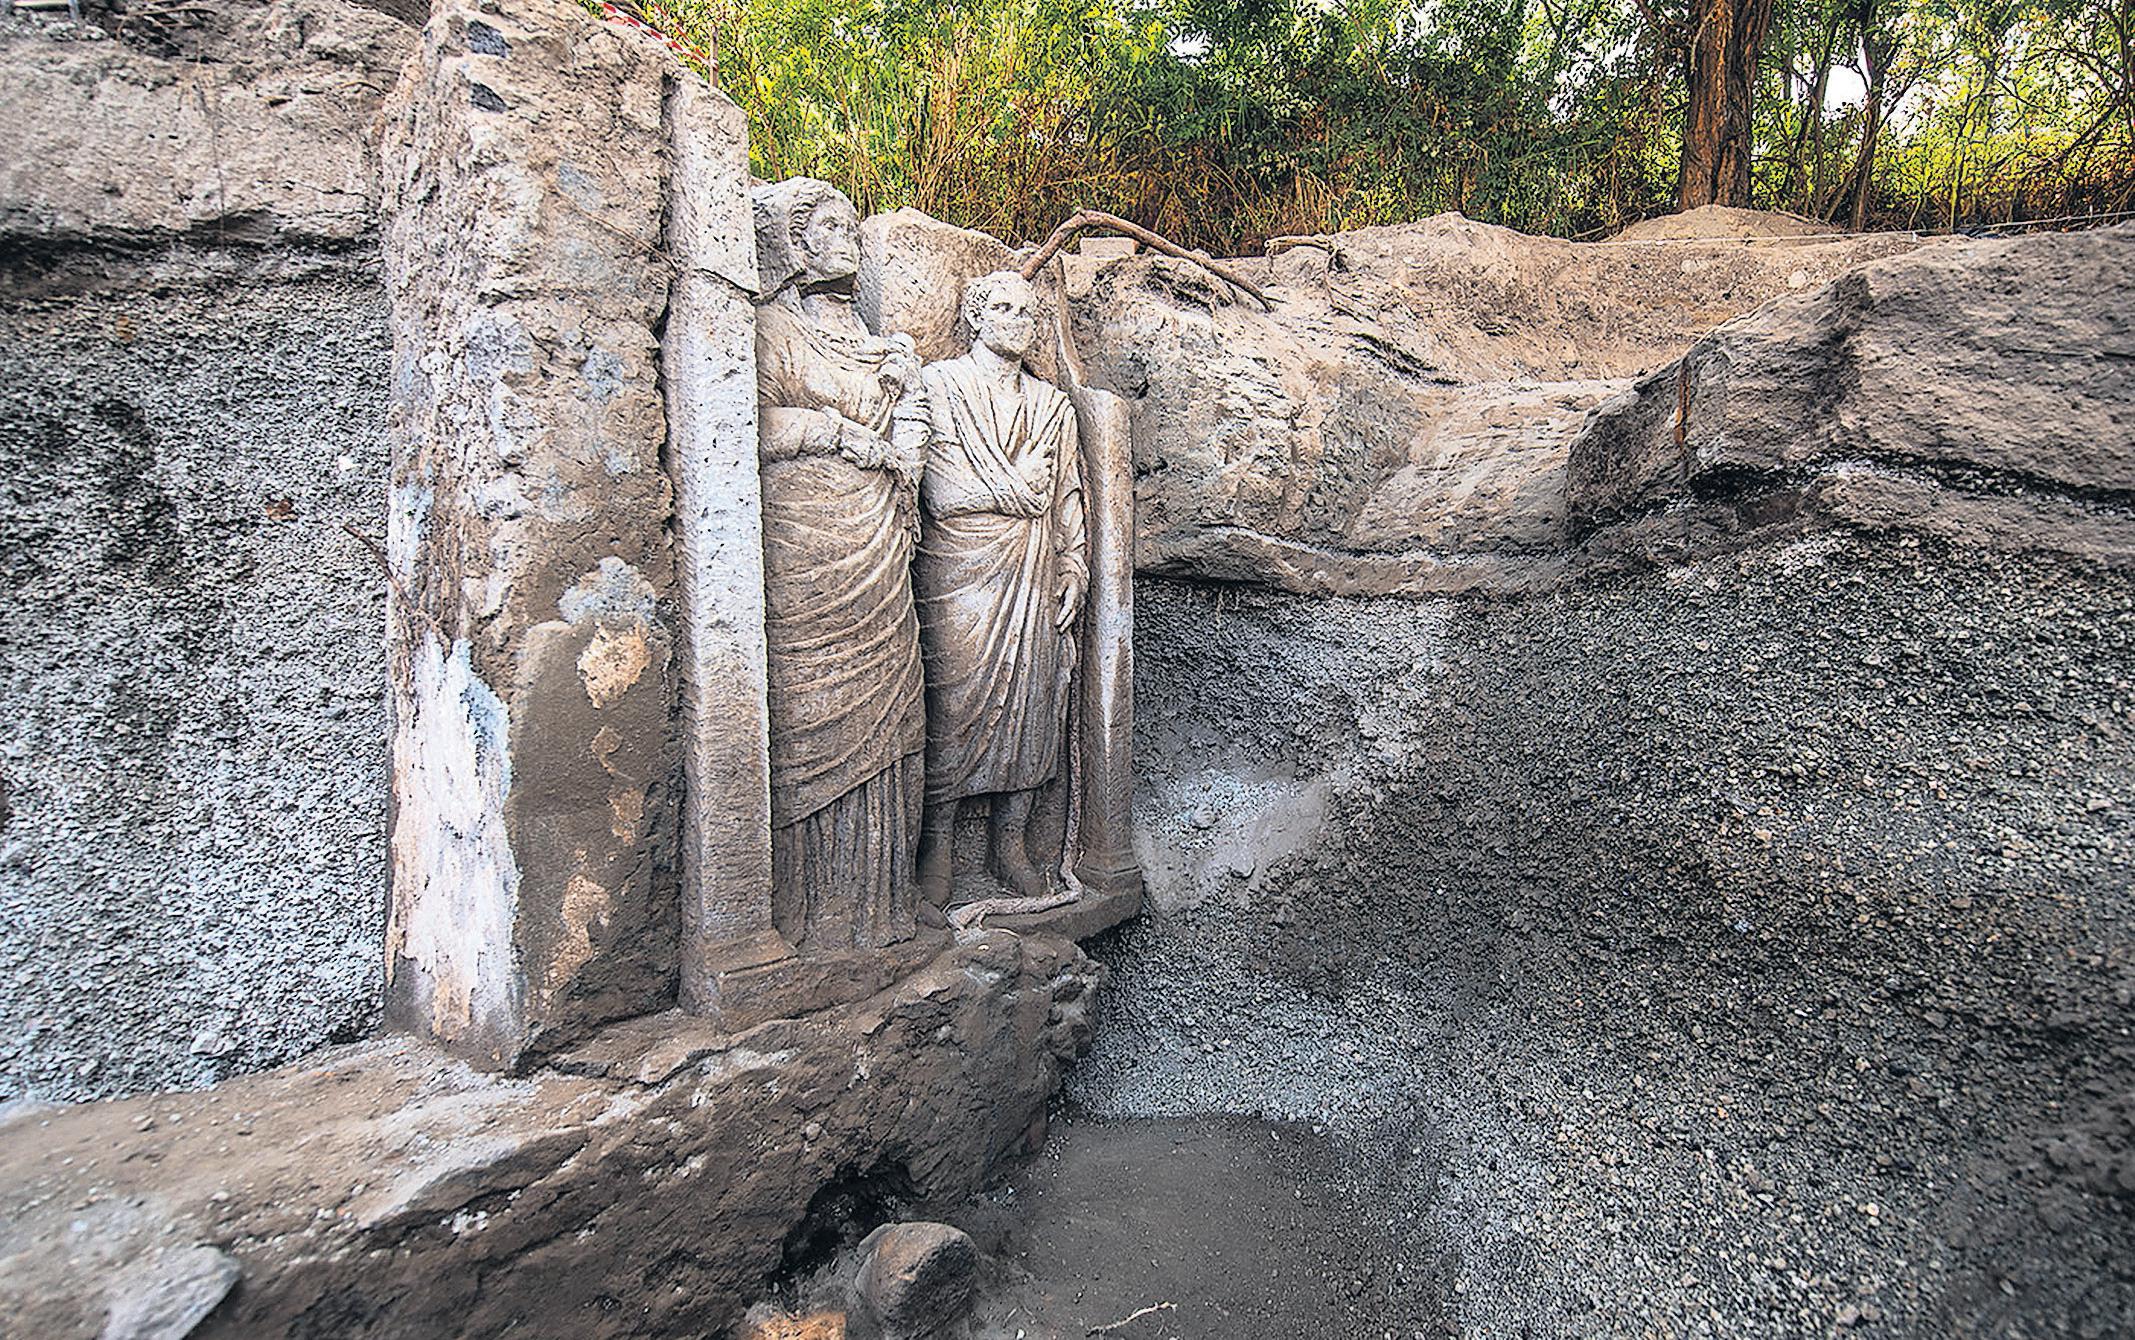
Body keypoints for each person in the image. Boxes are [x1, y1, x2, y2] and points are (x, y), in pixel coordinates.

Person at [750, 178, 927, 949]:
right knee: (813, 710)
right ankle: (809, 911)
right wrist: (831, 430)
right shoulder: (768, 330)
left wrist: (906, 391)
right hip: (806, 544)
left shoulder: (877, 345)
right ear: (794, 245)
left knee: (891, 708)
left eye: (853, 224)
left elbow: (913, 440)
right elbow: (747, 423)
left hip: (880, 541)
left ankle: (881, 906)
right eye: (829, 225)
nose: (847, 237)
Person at [905, 271, 1088, 903]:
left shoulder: (1051, 406)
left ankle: (1010, 842)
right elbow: (942, 493)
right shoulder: (940, 386)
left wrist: (1073, 566)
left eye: (1029, 312)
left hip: (1033, 571)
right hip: (958, 570)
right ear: (977, 316)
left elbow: (1064, 496)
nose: (1018, 319)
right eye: (1004, 307)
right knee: (951, 704)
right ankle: (937, 842)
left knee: (1035, 701)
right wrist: (1015, 488)